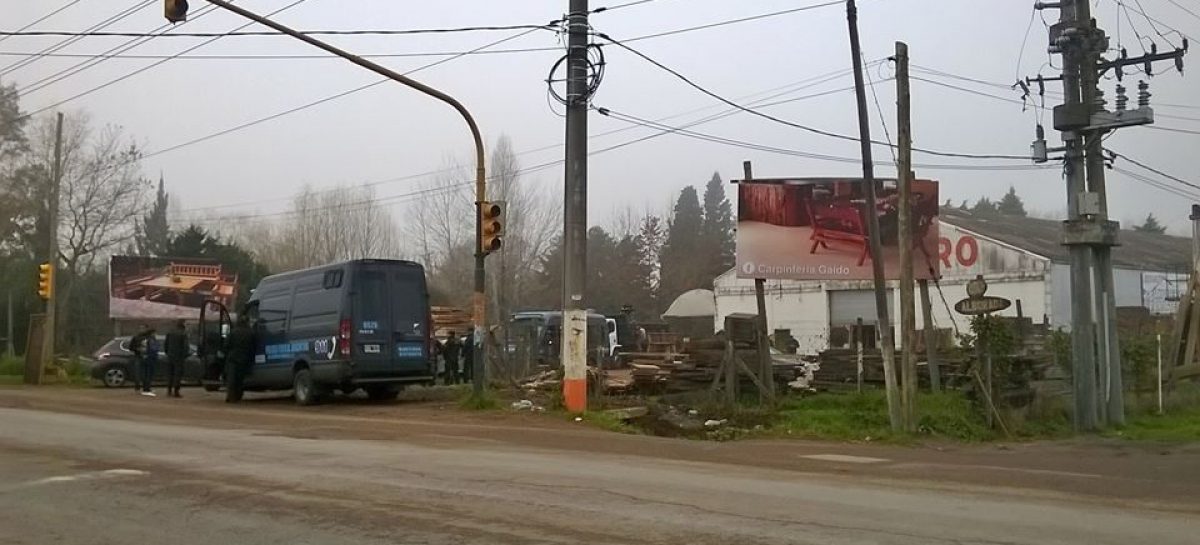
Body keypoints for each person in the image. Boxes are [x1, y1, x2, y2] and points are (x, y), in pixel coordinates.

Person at [224, 314, 255, 403]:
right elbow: (253, 347)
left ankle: (231, 397)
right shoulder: (251, 333)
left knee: (231, 379)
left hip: (233, 358)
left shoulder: (233, 332)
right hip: (244, 359)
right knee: (239, 379)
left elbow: (226, 345)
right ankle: (238, 396)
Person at [164, 320, 189, 398]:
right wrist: (185, 355)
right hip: (179, 357)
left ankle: (169, 390)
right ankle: (176, 391)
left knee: (170, 373)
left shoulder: (170, 332)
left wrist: (168, 353)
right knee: (177, 374)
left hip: (170, 356)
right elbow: (185, 346)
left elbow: (166, 344)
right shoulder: (183, 333)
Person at [129, 324, 153, 395]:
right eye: (140, 328)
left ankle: (146, 388)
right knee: (138, 373)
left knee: (147, 373)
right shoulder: (136, 337)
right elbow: (131, 347)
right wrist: (137, 349)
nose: (142, 329)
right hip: (138, 356)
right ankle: (137, 387)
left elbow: (152, 346)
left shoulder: (149, 337)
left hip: (147, 357)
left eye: (143, 328)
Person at [141, 328, 160, 397]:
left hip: (148, 358)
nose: (156, 334)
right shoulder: (150, 340)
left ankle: (147, 388)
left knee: (148, 374)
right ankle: (146, 389)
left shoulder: (146, 340)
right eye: (155, 333)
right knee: (148, 374)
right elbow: (154, 348)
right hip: (149, 358)